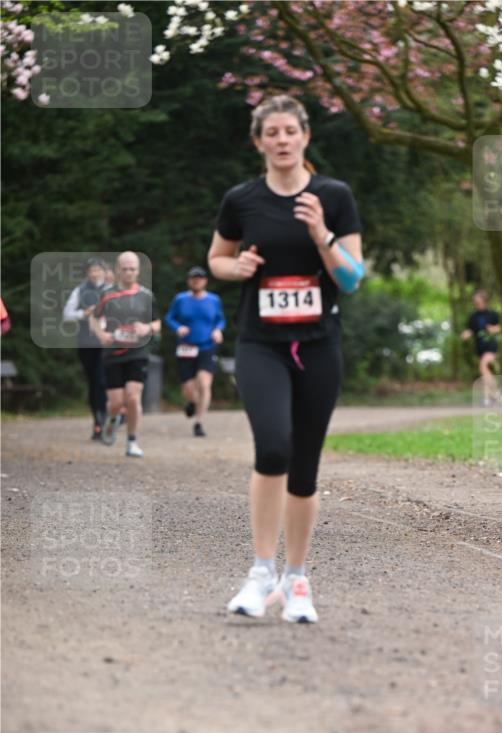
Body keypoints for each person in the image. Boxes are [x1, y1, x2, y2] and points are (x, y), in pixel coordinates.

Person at [208, 95, 364, 623]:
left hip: (319, 345)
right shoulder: (241, 199)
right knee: (273, 446)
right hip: (260, 344)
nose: (280, 140)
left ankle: (297, 581)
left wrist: (322, 234)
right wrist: (239, 268)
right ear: (258, 142)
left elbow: (352, 278)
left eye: (289, 131)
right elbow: (217, 260)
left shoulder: (334, 196)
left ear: (305, 137)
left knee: (305, 466)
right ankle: (260, 573)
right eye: (270, 132)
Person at [89, 251, 161, 458]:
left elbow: (157, 322)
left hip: (138, 352)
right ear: (118, 270)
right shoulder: (107, 294)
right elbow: (93, 319)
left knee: (133, 396)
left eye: (133, 269)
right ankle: (113, 419)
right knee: (117, 402)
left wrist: (147, 328)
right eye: (125, 269)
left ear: (138, 271)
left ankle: (132, 442)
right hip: (113, 353)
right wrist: (102, 334)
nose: (129, 272)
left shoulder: (146, 295)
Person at [164, 265, 225, 437]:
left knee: (204, 383)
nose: (196, 281)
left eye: (199, 278)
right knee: (188, 388)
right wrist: (178, 327)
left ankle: (199, 422)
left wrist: (218, 330)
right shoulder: (180, 299)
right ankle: (192, 401)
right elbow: (169, 317)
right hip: (186, 347)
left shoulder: (214, 300)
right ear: (189, 281)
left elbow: (220, 320)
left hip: (207, 345)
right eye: (193, 278)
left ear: (205, 281)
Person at [62, 258, 109, 440]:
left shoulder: (111, 290)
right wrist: (84, 313)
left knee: (103, 381)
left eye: (98, 270)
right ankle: (97, 420)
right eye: (92, 270)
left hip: (107, 343)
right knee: (94, 381)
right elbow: (67, 315)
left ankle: (105, 419)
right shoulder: (80, 291)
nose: (95, 273)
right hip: (86, 343)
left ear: (104, 272)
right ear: (87, 273)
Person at [460, 289, 502, 406]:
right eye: (475, 302)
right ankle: (490, 397)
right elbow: (471, 330)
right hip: (480, 348)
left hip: (491, 346)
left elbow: (501, 327)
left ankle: (497, 392)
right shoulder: (473, 317)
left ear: (484, 301)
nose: (476, 304)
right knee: (485, 372)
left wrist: (494, 329)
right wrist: (466, 334)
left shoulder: (493, 314)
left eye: (478, 302)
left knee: (483, 367)